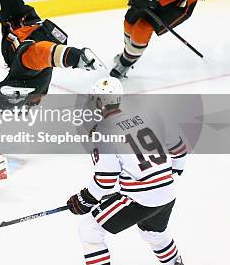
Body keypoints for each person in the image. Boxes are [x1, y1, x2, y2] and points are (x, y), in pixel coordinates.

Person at [66, 77, 187, 265]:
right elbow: (178, 147)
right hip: (167, 193)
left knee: (89, 231)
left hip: (140, 199)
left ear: (99, 102)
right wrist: (176, 169)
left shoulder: (103, 131)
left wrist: (85, 199)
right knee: (154, 234)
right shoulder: (147, 116)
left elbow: (106, 179)